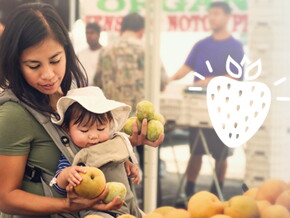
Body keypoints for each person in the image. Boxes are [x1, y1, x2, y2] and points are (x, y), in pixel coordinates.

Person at [0, 3, 163, 217]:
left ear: (67, 51)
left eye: (55, 60)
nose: (48, 74)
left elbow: (88, 144)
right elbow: (6, 197)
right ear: (16, 63)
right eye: (34, 65)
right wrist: (67, 206)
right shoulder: (14, 114)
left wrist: (125, 148)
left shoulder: (75, 96)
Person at [169, 1, 244, 197]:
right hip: (198, 109)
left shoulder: (235, 47)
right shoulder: (201, 45)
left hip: (224, 109)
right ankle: (189, 191)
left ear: (227, 17)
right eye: (210, 14)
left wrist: (211, 80)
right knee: (196, 152)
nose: (212, 17)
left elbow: (236, 76)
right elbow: (185, 68)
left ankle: (216, 191)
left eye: (217, 14)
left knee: (221, 154)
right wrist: (166, 81)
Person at [50, 86, 143, 218]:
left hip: (126, 204)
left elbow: (115, 160)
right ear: (67, 129)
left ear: (109, 123)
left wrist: (128, 165)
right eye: (84, 130)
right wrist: (66, 175)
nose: (93, 136)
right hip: (96, 209)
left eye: (100, 129)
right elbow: (58, 185)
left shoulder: (110, 143)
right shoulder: (72, 151)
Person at [94, 13, 168, 169]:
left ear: (122, 29)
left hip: (113, 120)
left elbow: (97, 83)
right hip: (143, 122)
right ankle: (151, 192)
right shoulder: (147, 50)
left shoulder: (106, 50)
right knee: (149, 165)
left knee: (117, 166)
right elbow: (162, 82)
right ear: (141, 31)